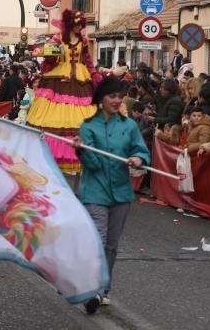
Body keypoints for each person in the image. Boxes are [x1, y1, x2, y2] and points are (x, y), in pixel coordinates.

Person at [72, 77, 150, 314]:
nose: (117, 100)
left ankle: (102, 289)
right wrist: (82, 151)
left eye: (120, 96)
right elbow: (93, 165)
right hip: (95, 190)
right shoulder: (87, 127)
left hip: (122, 193)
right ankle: (91, 289)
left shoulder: (129, 126)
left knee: (112, 246)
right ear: (100, 99)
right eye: (112, 96)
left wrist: (139, 159)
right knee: (99, 241)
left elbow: (141, 150)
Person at [27, 9, 99, 174]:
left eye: (81, 25)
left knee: (81, 111)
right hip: (59, 77)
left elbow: (87, 60)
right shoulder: (58, 38)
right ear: (70, 24)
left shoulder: (84, 41)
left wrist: (94, 74)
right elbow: (50, 55)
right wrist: (50, 55)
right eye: (77, 24)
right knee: (56, 111)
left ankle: (81, 147)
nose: (79, 28)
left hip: (80, 78)